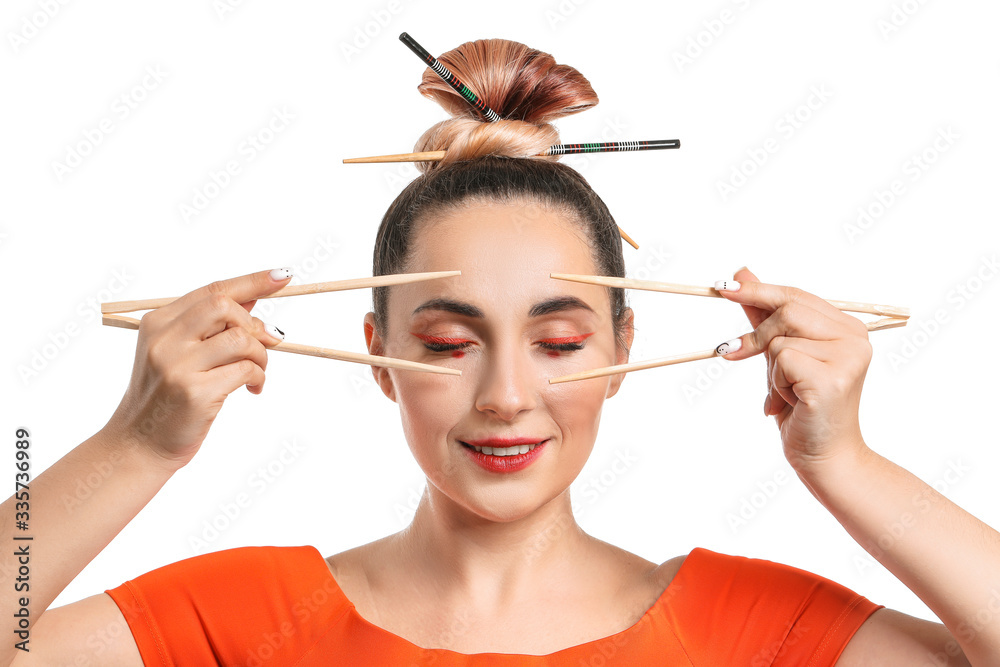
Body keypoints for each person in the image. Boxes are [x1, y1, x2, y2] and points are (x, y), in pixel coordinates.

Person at [2, 37, 996, 667]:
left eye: (559, 340)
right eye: (447, 341)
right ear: (378, 354)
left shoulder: (750, 630)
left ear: (623, 342)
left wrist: (844, 462)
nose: (507, 395)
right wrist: (137, 444)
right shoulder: (240, 618)